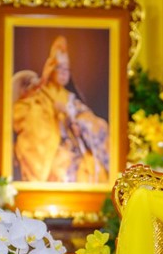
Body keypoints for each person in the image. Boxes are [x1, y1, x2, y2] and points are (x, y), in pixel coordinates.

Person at [12, 35, 110, 184]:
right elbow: (26, 115)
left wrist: (78, 123)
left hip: (74, 148)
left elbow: (87, 117)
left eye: (67, 69)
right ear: (51, 70)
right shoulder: (40, 94)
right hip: (52, 150)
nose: (64, 73)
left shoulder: (70, 98)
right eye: (60, 68)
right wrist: (54, 116)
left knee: (92, 166)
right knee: (62, 164)